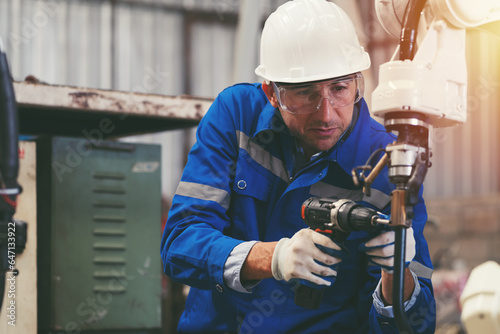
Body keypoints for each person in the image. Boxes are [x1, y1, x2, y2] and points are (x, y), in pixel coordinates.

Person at [161, 0, 436, 333]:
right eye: (304, 94)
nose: (326, 114)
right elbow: (180, 243)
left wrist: (396, 274)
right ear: (271, 93)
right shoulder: (236, 118)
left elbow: (417, 326)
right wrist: (272, 258)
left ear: (358, 82)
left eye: (339, 89)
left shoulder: (387, 161)